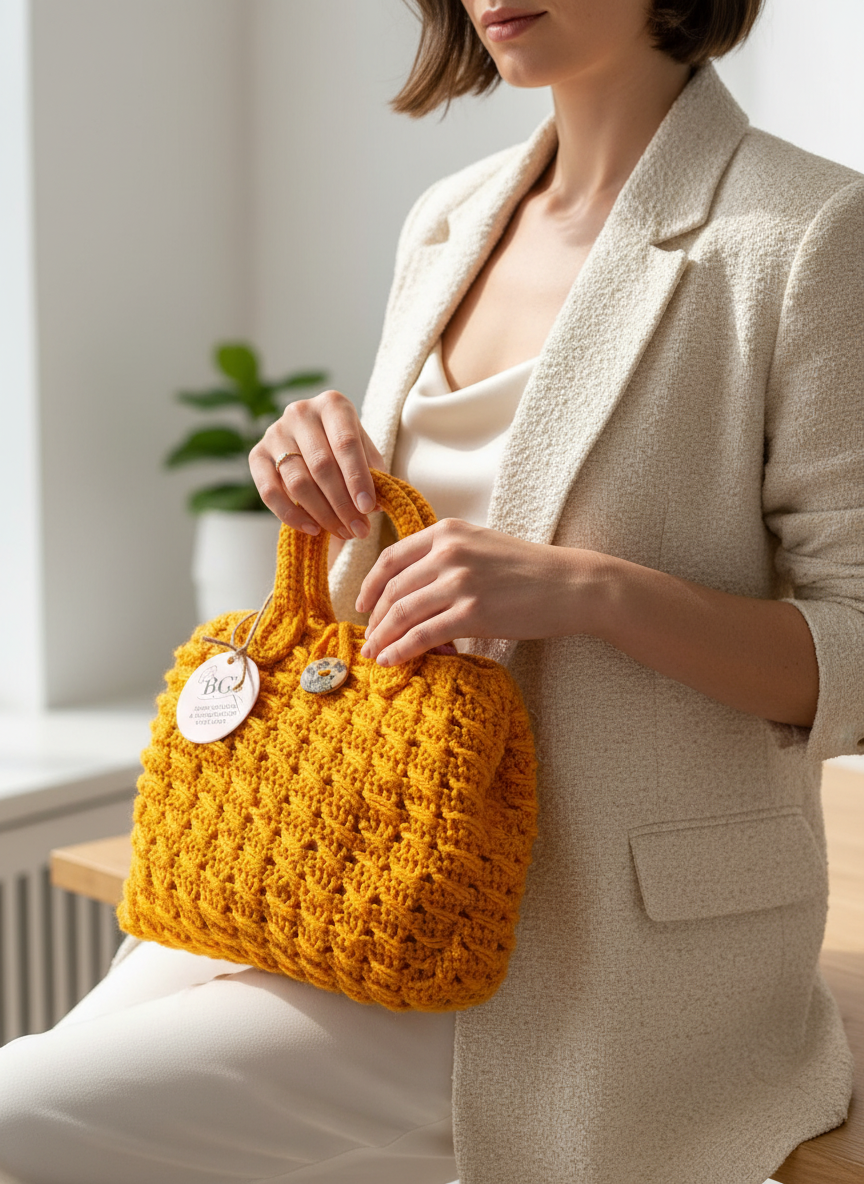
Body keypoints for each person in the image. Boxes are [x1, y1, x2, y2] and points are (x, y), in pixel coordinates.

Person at [0, 2, 861, 1182]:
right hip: (358, 855)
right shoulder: (449, 218)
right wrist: (310, 467)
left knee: (26, 1117)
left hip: (597, 950)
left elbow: (856, 644)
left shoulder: (806, 232)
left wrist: (593, 592)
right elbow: (389, 585)